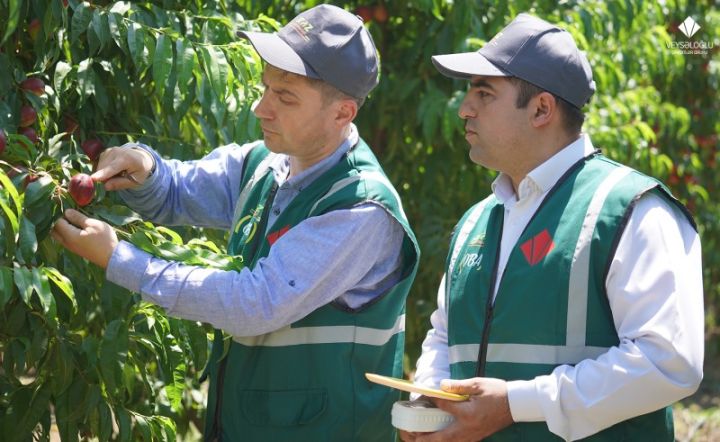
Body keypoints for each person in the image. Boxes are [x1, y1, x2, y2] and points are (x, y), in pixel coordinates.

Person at [52, 5, 419, 441]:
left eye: (286, 98)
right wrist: (145, 165)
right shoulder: (265, 165)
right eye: (266, 88)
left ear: (342, 113)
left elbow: (255, 303)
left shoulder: (361, 209)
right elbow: (176, 192)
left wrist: (121, 260)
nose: (261, 108)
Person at [401, 13, 704, 442]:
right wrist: (429, 399)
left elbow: (670, 361)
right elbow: (445, 335)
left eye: (484, 93)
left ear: (542, 108)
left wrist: (516, 404)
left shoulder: (631, 209)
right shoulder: (475, 221)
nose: (464, 108)